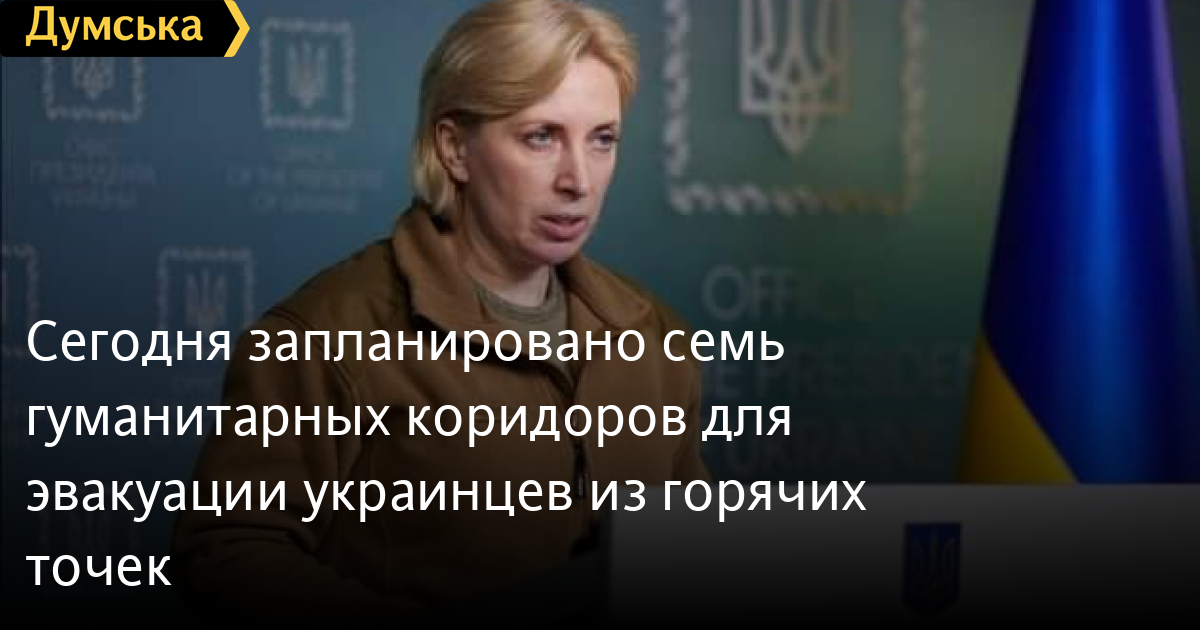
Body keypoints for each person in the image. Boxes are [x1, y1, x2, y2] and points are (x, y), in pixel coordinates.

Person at [171, 0, 710, 622]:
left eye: (602, 140)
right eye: (541, 137)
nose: (579, 180)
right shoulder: (324, 335)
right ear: (454, 148)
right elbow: (227, 553)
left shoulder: (653, 335)